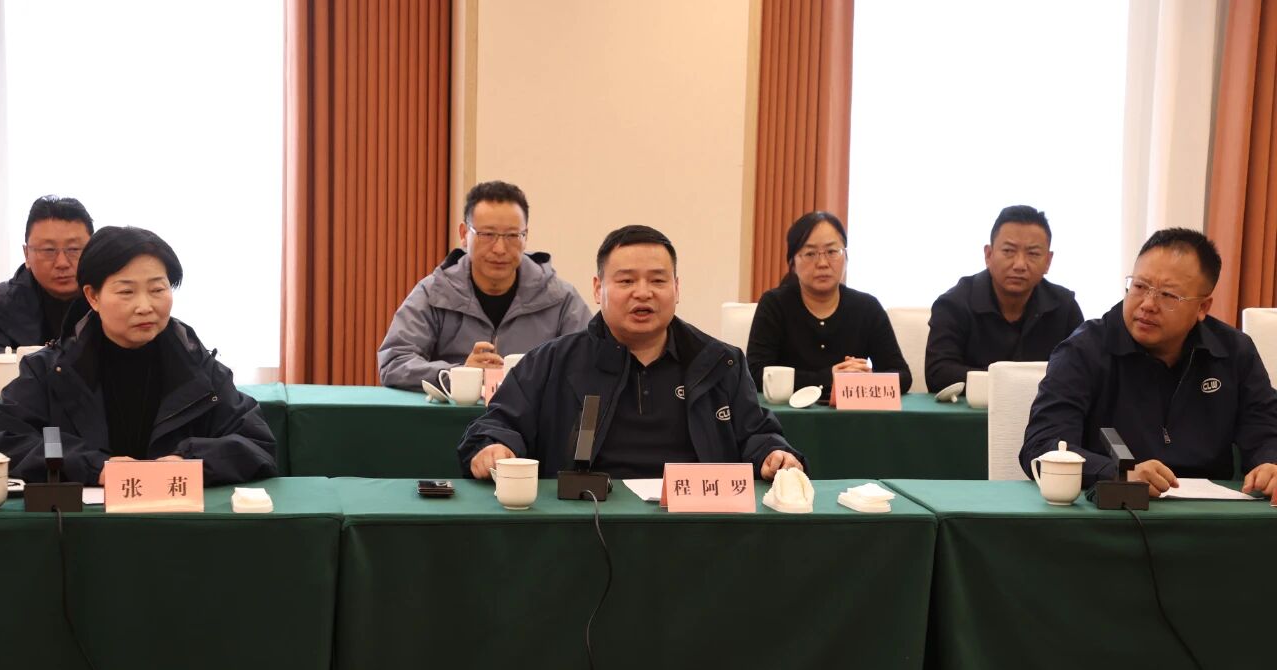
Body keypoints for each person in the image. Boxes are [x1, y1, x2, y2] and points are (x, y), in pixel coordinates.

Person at [458, 225, 804, 480]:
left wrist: (773, 453)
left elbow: (757, 433)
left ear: (677, 289)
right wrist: (493, 445)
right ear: (598, 289)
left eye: (658, 281)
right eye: (626, 281)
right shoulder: (552, 362)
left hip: (695, 523)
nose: (643, 293)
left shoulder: (718, 362)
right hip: (587, 522)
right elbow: (498, 424)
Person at [0, 226, 278, 485]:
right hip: (84, 520)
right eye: (127, 291)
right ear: (93, 297)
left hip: (176, 516)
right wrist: (94, 467)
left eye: (157, 289)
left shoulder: (199, 368)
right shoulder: (48, 370)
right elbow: (8, 438)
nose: (145, 306)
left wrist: (190, 462)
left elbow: (256, 443)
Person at [1020, 227, 1277, 497]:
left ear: (1202, 307)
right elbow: (1042, 445)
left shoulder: (1234, 352)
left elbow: (1265, 428)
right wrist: (1118, 473)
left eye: (1168, 295)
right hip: (1115, 511)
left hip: (1211, 513)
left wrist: (1270, 464)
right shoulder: (1084, 350)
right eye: (1140, 287)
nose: (1147, 304)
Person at [378, 180, 592, 389]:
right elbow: (394, 363)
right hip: (455, 412)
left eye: (512, 236)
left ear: (526, 236)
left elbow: (592, 363)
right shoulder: (435, 292)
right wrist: (460, 374)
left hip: (533, 413)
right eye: (487, 235)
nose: (500, 249)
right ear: (464, 235)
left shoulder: (559, 298)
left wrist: (535, 381)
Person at [746, 211, 912, 398]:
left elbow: (903, 376)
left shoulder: (867, 307)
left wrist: (863, 378)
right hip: (786, 415)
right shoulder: (775, 304)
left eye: (832, 252)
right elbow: (755, 374)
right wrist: (829, 378)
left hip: (852, 415)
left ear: (846, 257)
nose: (822, 263)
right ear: (793, 263)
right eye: (810, 253)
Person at [925, 205, 1083, 392]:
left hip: (1041, 410)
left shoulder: (1064, 306)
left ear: (1048, 261)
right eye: (1008, 251)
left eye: (1033, 253)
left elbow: (1083, 371)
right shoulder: (954, 304)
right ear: (988, 255)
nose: (1019, 265)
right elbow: (938, 374)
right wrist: (1011, 382)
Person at [0, 196, 95, 349]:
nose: (62, 263)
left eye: (74, 249)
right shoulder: (0, 307)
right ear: (27, 255)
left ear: (93, 250)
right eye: (49, 250)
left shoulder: (116, 298)